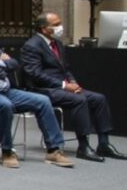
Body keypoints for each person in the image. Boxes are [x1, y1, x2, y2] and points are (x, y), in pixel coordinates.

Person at [0, 10, 73, 168]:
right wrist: (2, 65)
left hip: (5, 89)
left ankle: (53, 149)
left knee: (43, 101)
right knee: (5, 105)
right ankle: (7, 151)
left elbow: (15, 63)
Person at [20, 11, 124, 162]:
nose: (60, 27)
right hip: (43, 89)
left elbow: (65, 68)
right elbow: (34, 74)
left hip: (63, 87)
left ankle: (104, 144)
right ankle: (83, 146)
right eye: (56, 25)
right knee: (79, 100)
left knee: (99, 99)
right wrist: (64, 85)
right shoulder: (32, 46)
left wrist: (73, 82)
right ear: (43, 28)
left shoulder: (57, 43)